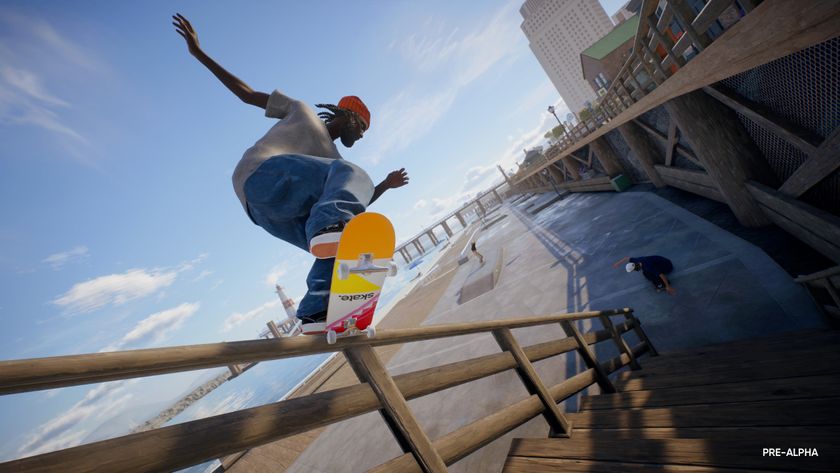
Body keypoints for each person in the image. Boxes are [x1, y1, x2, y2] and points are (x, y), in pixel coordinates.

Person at [173, 14, 409, 333]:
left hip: (266, 214)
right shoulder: (303, 111)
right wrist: (199, 53)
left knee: (340, 245)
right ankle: (328, 228)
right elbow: (246, 94)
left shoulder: (332, 166)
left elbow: (356, 203)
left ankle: (316, 312)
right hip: (261, 174)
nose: (363, 136)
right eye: (362, 127)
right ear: (349, 114)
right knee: (350, 185)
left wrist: (385, 186)